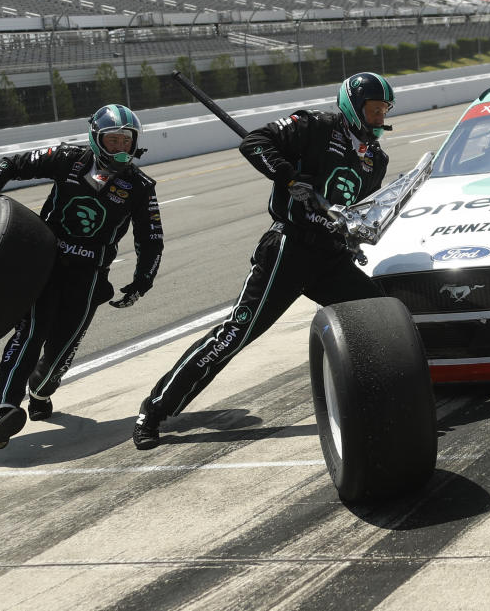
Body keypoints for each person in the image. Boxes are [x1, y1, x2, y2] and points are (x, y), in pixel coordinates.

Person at [132, 72, 395, 450]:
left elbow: (353, 210)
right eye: (373, 110)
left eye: (383, 110)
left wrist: (351, 236)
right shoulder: (315, 127)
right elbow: (255, 142)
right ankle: (154, 410)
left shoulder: (377, 160)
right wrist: (287, 176)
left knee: (380, 314)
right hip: (288, 250)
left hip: (330, 258)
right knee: (234, 335)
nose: (379, 118)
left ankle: (391, 397)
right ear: (353, 107)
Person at [0, 104, 163, 449]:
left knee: (58, 357)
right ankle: (1, 412)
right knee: (29, 334)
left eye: (126, 142)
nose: (119, 148)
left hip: (90, 278)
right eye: (113, 141)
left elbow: (151, 239)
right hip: (43, 266)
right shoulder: (67, 159)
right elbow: (10, 164)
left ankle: (42, 391)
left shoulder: (140, 186)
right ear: (96, 139)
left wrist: (143, 280)